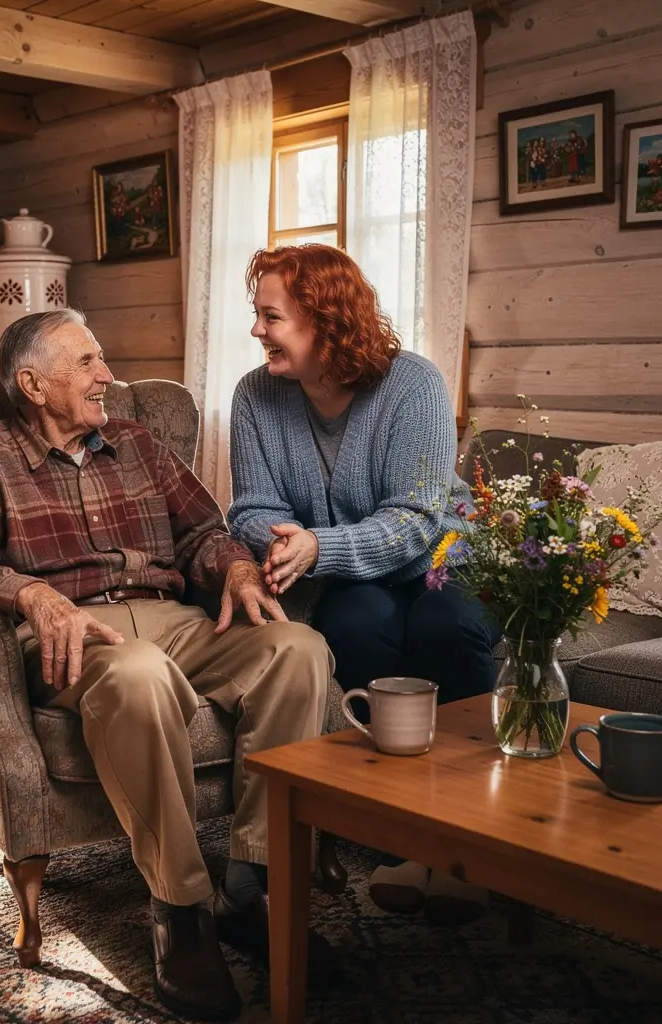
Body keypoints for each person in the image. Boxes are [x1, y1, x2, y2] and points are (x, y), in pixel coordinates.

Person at [0, 308, 334, 1021]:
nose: (107, 375)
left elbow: (203, 532)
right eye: (87, 362)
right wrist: (27, 593)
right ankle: (180, 908)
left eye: (102, 359)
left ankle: (251, 884)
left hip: (173, 619)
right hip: (75, 636)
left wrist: (235, 568)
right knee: (137, 673)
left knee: (299, 650)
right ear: (33, 384)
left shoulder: (138, 444)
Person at [228, 245, 501, 924]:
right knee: (352, 629)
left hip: (444, 557)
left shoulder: (414, 384)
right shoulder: (255, 395)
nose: (257, 330)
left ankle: (472, 840)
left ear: (325, 320)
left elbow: (416, 521)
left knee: (446, 627)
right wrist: (287, 541)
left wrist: (318, 545)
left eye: (271, 317)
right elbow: (252, 507)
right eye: (258, 315)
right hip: (352, 572)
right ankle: (403, 835)